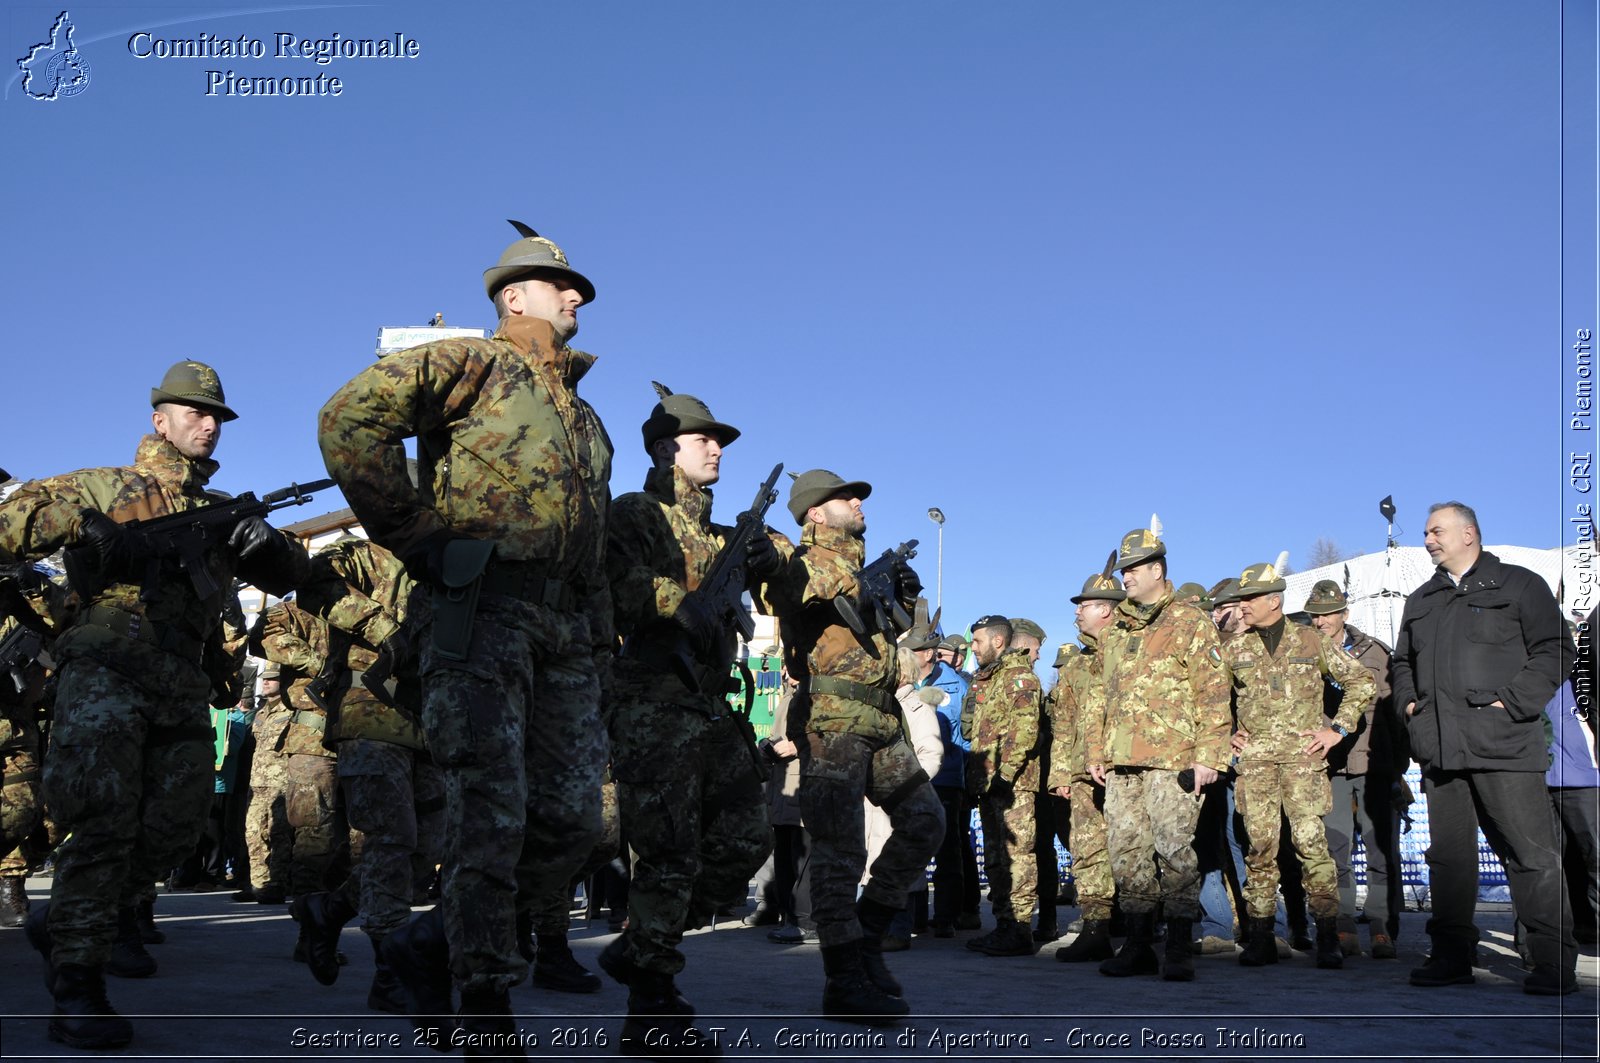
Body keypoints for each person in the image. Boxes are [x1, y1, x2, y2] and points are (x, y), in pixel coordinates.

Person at [317, 223, 614, 1041]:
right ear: (515, 298)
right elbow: (349, 418)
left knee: (574, 822)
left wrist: (599, 642)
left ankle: (428, 938)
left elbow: (589, 555)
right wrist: (418, 538)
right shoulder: (474, 362)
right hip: (482, 613)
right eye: (564, 285)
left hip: (563, 630)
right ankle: (486, 1006)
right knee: (490, 813)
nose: (578, 296)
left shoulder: (587, 422)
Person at [0, 361, 309, 1049]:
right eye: (194, 411)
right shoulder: (105, 485)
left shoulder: (221, 509)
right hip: (105, 673)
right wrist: (82, 528)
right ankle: (78, 982)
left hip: (179, 685)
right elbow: (12, 522)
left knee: (173, 829)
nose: (207, 423)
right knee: (102, 823)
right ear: (157, 420)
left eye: (216, 415)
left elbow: (295, 575)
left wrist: (271, 546)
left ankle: (70, 921)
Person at [599, 386, 775, 1053]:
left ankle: (644, 942)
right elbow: (616, 589)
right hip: (651, 702)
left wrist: (763, 558)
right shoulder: (636, 513)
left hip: (709, 705)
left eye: (720, 439)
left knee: (746, 836)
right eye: (705, 437)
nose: (717, 447)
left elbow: (766, 575)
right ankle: (651, 1008)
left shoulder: (718, 530)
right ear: (665, 448)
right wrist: (681, 603)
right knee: (668, 852)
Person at [761, 469, 942, 1024]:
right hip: (832, 719)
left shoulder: (862, 567)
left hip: (882, 716)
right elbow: (783, 590)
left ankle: (865, 937)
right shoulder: (796, 558)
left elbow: (902, 643)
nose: (857, 502)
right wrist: (860, 581)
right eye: (844, 497)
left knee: (924, 821)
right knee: (841, 850)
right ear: (815, 512)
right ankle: (843, 977)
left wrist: (903, 598)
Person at [1392, 501, 1575, 995]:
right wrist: (1411, 708)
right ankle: (1451, 955)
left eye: (1436, 531)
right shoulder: (1422, 599)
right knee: (1449, 859)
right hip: (1441, 751)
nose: (1428, 539)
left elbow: (1558, 646)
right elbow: (1401, 663)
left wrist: (1511, 702)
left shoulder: (1518, 584)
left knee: (1530, 854)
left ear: (1468, 533)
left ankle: (1552, 961)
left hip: (1504, 747)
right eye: (1427, 533)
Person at [284, 536, 446, 1013]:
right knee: (391, 838)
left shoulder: (446, 556)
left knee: (426, 848)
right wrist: (383, 629)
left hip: (432, 716)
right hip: (370, 709)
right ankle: (390, 970)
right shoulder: (358, 554)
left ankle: (329, 909)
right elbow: (312, 584)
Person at [1088, 527, 1230, 981]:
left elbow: (1213, 691)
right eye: (1124, 568)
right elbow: (1100, 693)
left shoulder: (1189, 621)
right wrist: (1095, 749)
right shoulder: (1117, 630)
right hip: (1122, 762)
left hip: (1174, 760)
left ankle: (1179, 944)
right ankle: (1137, 943)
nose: (1125, 577)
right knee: (1125, 852)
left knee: (1174, 851)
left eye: (1133, 569)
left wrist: (1209, 755)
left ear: (1157, 569)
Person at [1221, 563, 1374, 970]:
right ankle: (1262, 936)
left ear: (1274, 600)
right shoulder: (1235, 649)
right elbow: (1210, 699)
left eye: (1250, 598)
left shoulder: (1310, 640)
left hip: (1304, 763)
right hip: (1255, 766)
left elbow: (1361, 681)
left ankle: (1327, 936)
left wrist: (1337, 730)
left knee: (1312, 848)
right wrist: (1226, 734)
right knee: (1260, 850)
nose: (1243, 606)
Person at [1303, 578, 1404, 959]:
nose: (1321, 622)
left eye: (1328, 614)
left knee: (1381, 850)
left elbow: (1394, 716)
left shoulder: (1376, 653)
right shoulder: (1304, 653)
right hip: (1330, 768)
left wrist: (1398, 769)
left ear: (1344, 614)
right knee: (1335, 850)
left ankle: (1381, 925)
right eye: (1314, 615)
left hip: (1374, 763)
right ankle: (1343, 925)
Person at [1050, 571, 1125, 963]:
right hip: (1081, 773)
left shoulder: (1131, 651)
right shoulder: (1077, 666)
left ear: (1107, 610)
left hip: (1126, 768)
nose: (1077, 612)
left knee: (1133, 849)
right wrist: (1060, 773)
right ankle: (1096, 927)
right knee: (1088, 850)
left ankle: (1143, 925)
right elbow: (1064, 720)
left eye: (1085, 605)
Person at [962, 615, 1044, 957]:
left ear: (998, 642)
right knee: (996, 857)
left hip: (1014, 785)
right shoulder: (986, 681)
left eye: (978, 642)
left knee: (1017, 855)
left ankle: (1020, 927)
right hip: (989, 784)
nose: (973, 649)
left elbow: (1024, 732)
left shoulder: (1019, 677)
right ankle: (1004, 925)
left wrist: (1005, 776)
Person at [905, 622, 969, 937]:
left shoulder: (956, 685)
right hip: (909, 777)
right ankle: (914, 915)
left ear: (928, 653)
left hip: (945, 777)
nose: (906, 655)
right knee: (910, 845)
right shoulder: (903, 683)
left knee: (947, 849)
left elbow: (965, 735)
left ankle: (946, 916)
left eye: (912, 650)